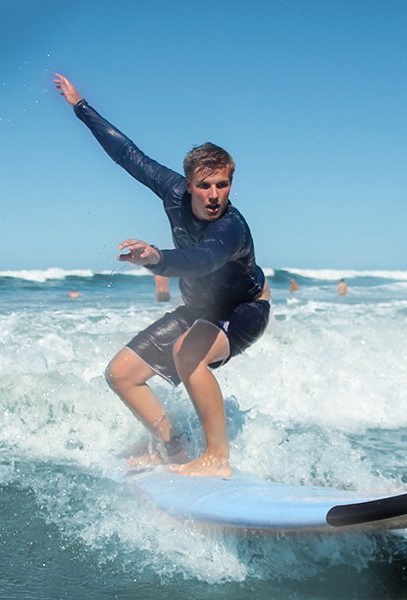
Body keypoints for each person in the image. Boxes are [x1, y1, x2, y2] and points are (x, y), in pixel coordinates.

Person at [54, 73, 270, 478]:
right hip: (198, 308)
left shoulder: (231, 229)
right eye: (204, 186)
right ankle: (174, 447)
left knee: (189, 354)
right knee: (121, 375)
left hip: (244, 310)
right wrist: (81, 107)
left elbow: (203, 260)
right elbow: (129, 155)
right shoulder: (172, 190)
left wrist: (156, 258)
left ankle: (217, 457)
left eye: (222, 185)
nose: (213, 195)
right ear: (188, 185)